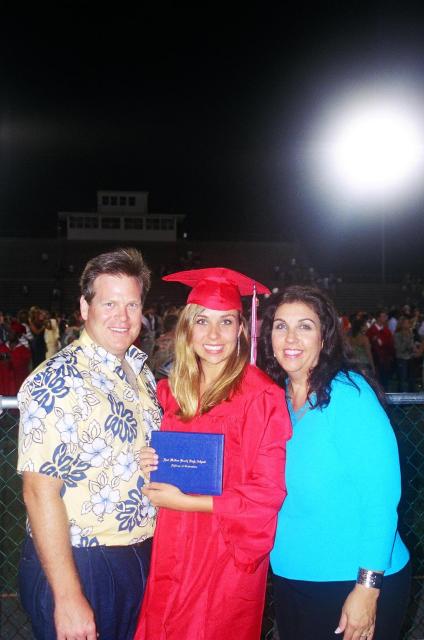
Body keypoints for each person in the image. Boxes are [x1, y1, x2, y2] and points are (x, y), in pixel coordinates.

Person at [134, 267, 292, 640]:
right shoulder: (172, 392)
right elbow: (168, 466)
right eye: (202, 321)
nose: (214, 335)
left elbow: (266, 494)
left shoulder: (260, 396)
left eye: (226, 322)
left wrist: (187, 502)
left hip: (224, 552)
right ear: (187, 327)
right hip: (173, 543)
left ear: (241, 328)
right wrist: (150, 461)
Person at [17, 248, 162, 640]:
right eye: (110, 303)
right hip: (81, 562)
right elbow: (37, 492)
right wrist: (67, 596)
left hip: (138, 552)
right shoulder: (56, 380)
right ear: (85, 307)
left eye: (132, 304)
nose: (123, 316)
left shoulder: (140, 372)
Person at [258, 286, 410, 640]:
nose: (291, 338)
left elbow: (381, 500)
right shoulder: (273, 398)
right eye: (281, 326)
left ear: (325, 336)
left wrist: (367, 588)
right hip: (291, 577)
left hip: (351, 581)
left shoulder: (348, 396)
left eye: (305, 326)